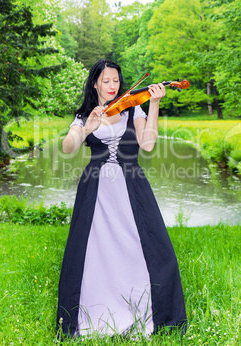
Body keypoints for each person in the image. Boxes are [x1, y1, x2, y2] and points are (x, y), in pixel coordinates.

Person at [57, 59, 187, 339]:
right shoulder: (84, 116)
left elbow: (148, 144)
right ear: (95, 84)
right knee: (95, 249)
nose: (112, 86)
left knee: (145, 246)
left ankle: (144, 312)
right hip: (96, 190)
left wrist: (154, 104)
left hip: (132, 186)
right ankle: (96, 313)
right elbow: (68, 147)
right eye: (106, 81)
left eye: (116, 80)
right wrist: (88, 128)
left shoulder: (134, 108)